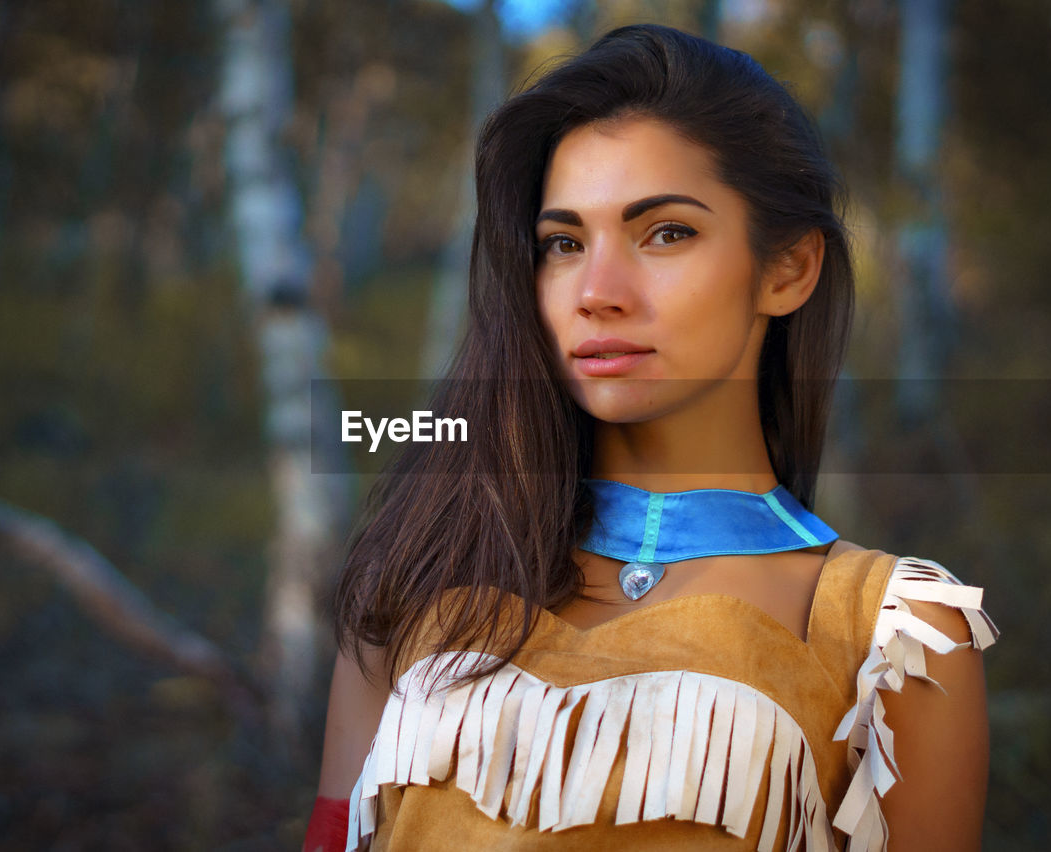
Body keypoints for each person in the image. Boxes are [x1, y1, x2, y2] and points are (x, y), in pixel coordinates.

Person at [305, 23, 996, 852]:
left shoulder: (895, 636)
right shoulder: (420, 569)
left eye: (666, 232)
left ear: (788, 270)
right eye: (563, 244)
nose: (597, 291)